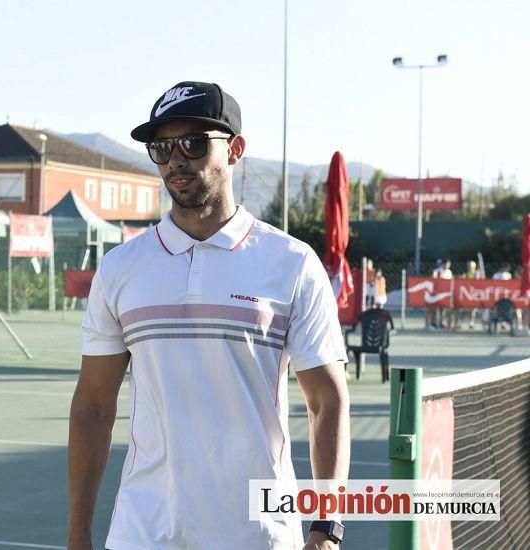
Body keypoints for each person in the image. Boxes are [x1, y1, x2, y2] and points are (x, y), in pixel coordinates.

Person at [68, 82, 350, 550]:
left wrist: (326, 528)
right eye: (162, 148)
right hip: (143, 533)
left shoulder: (292, 263)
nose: (176, 159)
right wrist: (78, 534)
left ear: (235, 149)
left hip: (258, 536)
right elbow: (93, 407)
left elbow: (327, 402)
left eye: (194, 143)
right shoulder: (120, 268)